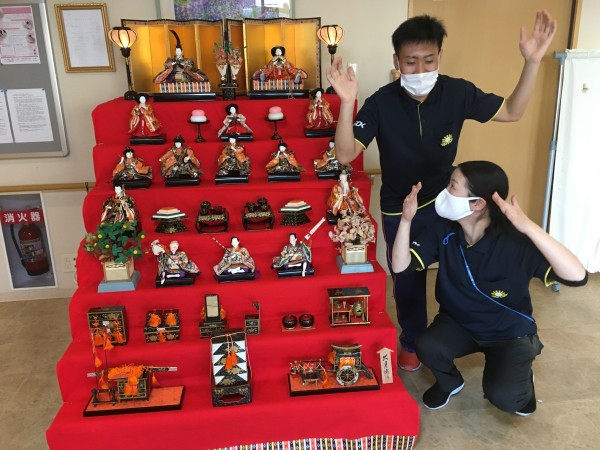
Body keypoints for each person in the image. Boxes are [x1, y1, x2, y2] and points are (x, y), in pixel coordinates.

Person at [326, 11, 557, 371]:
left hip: (446, 199)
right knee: (406, 275)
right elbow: (344, 154)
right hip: (399, 204)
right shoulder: (381, 102)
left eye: (428, 60)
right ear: (396, 61)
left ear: (440, 58)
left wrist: (532, 62)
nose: (420, 69)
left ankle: (469, 331)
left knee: (461, 265)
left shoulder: (458, 92)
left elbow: (512, 111)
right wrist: (345, 102)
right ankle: (413, 341)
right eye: (410, 61)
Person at [391, 160, 587, 415]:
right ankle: (450, 383)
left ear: (477, 204)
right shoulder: (444, 229)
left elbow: (577, 276)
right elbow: (401, 266)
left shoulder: (515, 241)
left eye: (452, 187)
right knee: (426, 345)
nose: (445, 192)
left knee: (506, 398)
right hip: (459, 323)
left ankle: (521, 378)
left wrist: (528, 226)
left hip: (509, 333)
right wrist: (406, 221)